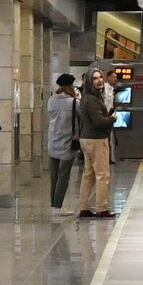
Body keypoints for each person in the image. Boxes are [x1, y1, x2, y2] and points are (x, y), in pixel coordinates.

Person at [77, 68, 116, 218]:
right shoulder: (92, 100)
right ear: (89, 82)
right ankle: (102, 208)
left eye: (100, 77)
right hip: (96, 139)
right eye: (95, 78)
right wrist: (112, 118)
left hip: (86, 138)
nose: (99, 80)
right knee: (102, 174)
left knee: (89, 174)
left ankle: (84, 207)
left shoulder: (88, 97)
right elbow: (99, 122)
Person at [47, 73, 79, 216]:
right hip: (67, 142)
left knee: (54, 176)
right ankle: (58, 206)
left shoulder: (51, 100)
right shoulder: (74, 102)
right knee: (63, 176)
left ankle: (54, 205)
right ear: (70, 86)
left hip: (53, 141)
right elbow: (82, 117)